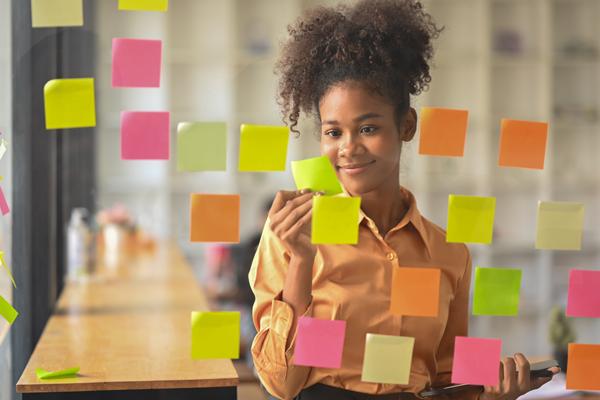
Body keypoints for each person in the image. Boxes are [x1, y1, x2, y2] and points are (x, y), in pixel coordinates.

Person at [248, 1, 560, 399]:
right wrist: (303, 262)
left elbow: (447, 382)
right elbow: (281, 384)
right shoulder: (291, 238)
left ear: (406, 126)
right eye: (333, 132)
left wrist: (491, 396)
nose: (348, 148)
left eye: (368, 127)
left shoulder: (449, 252)